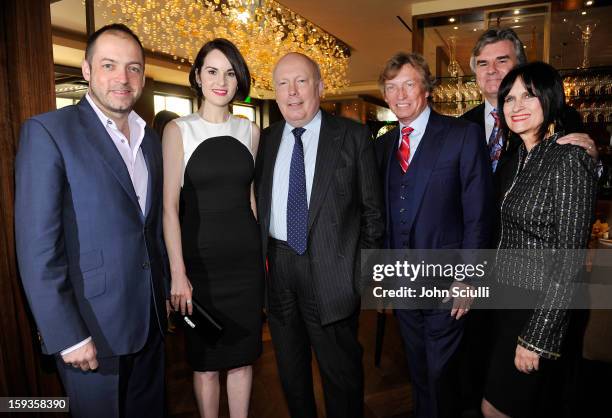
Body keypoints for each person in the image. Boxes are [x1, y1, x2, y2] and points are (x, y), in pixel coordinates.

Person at [14, 24, 168, 418]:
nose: (122, 78)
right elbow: (37, 249)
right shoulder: (49, 132)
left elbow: (148, 229)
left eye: (133, 68)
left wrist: (162, 294)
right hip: (91, 329)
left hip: (149, 324)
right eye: (109, 65)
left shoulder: (149, 139)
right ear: (86, 70)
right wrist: (67, 336)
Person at [458, 27, 599, 414]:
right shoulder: (517, 155)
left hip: (540, 304)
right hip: (502, 296)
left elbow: (568, 259)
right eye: (510, 98)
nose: (516, 104)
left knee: (508, 404)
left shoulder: (568, 151)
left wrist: (538, 334)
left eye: (528, 95)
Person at [254, 52, 384, 418]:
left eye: (301, 81)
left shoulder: (353, 137)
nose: (292, 92)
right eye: (283, 83)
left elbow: (374, 215)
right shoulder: (265, 140)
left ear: (320, 87)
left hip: (334, 273)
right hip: (279, 269)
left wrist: (361, 278)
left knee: (340, 373)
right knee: (291, 371)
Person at [375, 52, 494, 418]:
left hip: (449, 285)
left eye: (409, 84)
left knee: (441, 373)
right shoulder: (380, 147)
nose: (400, 95)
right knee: (419, 372)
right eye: (392, 88)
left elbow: (479, 214)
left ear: (425, 89)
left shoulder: (462, 135)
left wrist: (468, 279)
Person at [162, 38, 263, 418]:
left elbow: (251, 200)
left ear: (240, 80)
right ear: (198, 76)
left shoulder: (250, 131)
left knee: (242, 358)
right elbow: (169, 209)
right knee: (205, 363)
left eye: (231, 72)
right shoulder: (178, 130)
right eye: (213, 70)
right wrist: (178, 274)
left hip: (246, 266)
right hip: (199, 267)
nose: (222, 80)